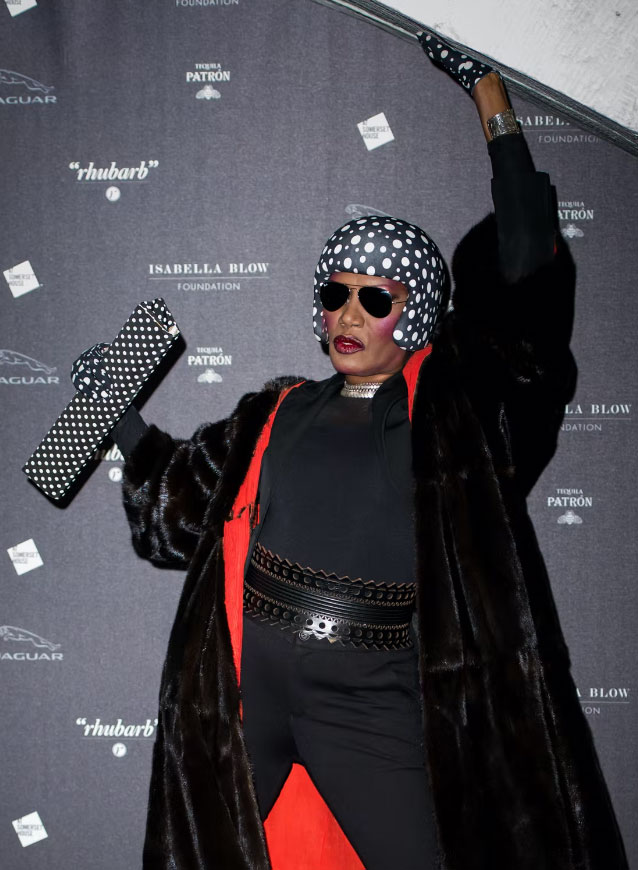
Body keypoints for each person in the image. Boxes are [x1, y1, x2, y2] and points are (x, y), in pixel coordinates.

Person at [73, 35, 627, 870]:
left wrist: (491, 101)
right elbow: (175, 503)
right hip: (252, 688)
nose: (349, 313)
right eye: (336, 292)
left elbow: (525, 275)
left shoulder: (457, 418)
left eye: (376, 297)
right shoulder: (275, 411)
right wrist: (114, 413)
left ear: (417, 314)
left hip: (369, 697)